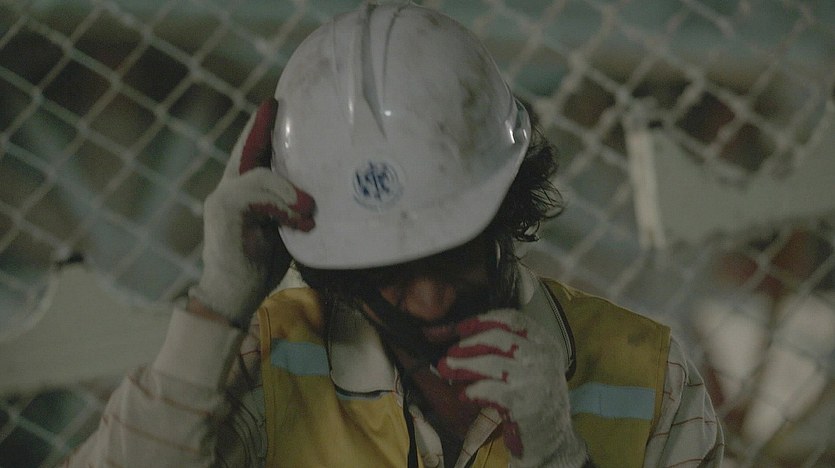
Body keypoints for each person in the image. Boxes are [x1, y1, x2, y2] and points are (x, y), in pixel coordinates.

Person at [63, 3, 723, 467]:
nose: (431, 300)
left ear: (509, 206)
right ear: (333, 264)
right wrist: (218, 306)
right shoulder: (270, 361)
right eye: (386, 270)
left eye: (454, 251)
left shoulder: (651, 377)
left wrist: (557, 455)